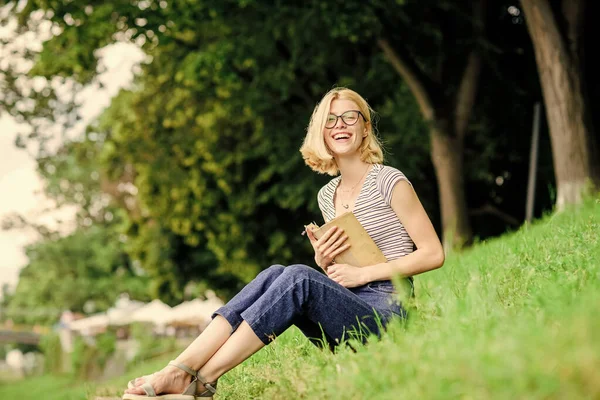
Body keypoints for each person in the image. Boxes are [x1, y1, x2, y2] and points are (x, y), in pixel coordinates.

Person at [123, 87, 444, 399]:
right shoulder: (328, 195)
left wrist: (363, 275)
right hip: (346, 308)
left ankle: (198, 380)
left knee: (297, 276)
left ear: (365, 126)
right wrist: (325, 261)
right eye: (330, 120)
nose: (340, 125)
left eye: (349, 117)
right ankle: (181, 368)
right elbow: (344, 269)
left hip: (388, 312)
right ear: (321, 132)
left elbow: (433, 254)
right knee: (278, 271)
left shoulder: (389, 180)